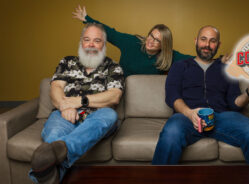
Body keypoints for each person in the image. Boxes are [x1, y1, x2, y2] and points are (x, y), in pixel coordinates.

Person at [152, 25, 249, 182]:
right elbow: (172, 96)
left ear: (218, 45)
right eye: (203, 39)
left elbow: (235, 103)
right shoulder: (179, 66)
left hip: (221, 117)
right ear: (196, 41)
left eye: (212, 41)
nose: (207, 44)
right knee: (171, 132)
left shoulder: (227, 69)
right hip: (187, 117)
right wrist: (189, 113)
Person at [29, 23, 124, 184]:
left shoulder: (113, 67)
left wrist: (79, 101)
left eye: (97, 40)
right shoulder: (67, 62)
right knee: (53, 136)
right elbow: (56, 87)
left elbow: (114, 96)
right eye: (87, 40)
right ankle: (53, 173)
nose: (91, 44)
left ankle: (60, 153)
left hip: (97, 118)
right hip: (65, 114)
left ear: (104, 44)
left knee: (110, 114)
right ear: (81, 42)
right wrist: (64, 106)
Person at [72, 5, 230, 77]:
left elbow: (195, 60)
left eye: (158, 41)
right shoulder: (132, 42)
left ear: (164, 46)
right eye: (151, 36)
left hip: (144, 95)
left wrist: (218, 60)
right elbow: (110, 33)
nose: (151, 41)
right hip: (121, 88)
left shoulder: (169, 57)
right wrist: (87, 19)